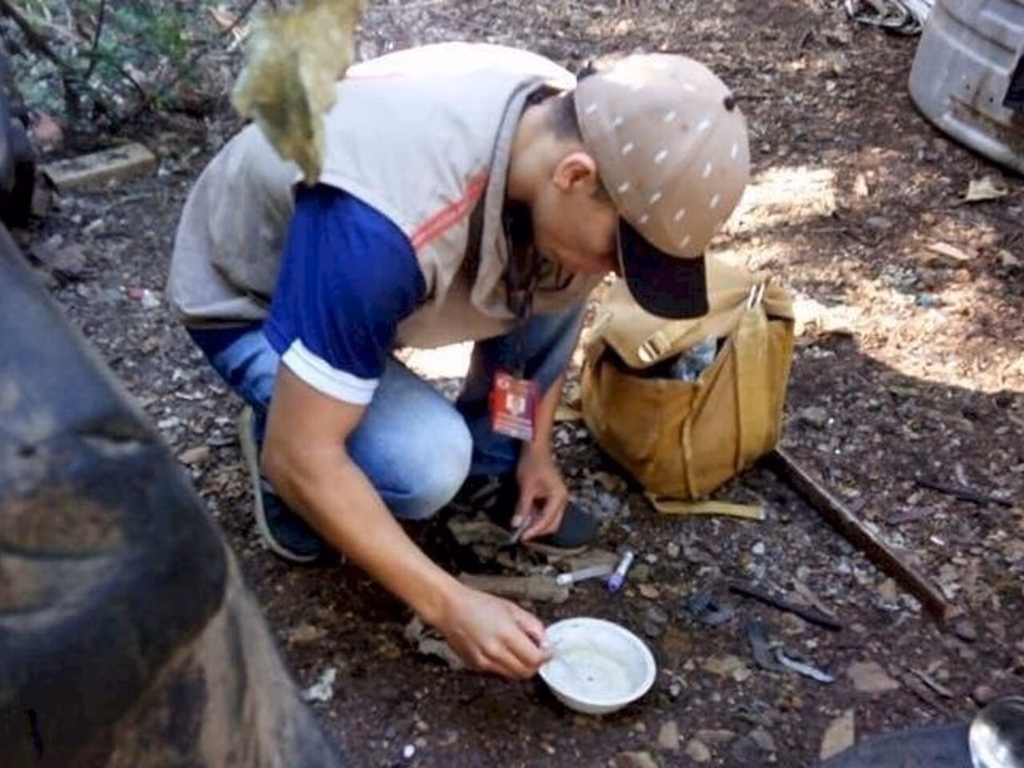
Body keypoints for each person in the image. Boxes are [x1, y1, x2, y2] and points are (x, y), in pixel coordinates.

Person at [167, 42, 749, 679]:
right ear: (576, 176)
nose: (616, 275)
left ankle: (496, 465)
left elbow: (549, 311)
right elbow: (303, 455)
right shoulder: (379, 224)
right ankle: (285, 418)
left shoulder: (571, 128)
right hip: (253, 296)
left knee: (562, 277)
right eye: (621, 252)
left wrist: (535, 451)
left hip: (369, 280)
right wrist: (451, 605)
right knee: (422, 464)